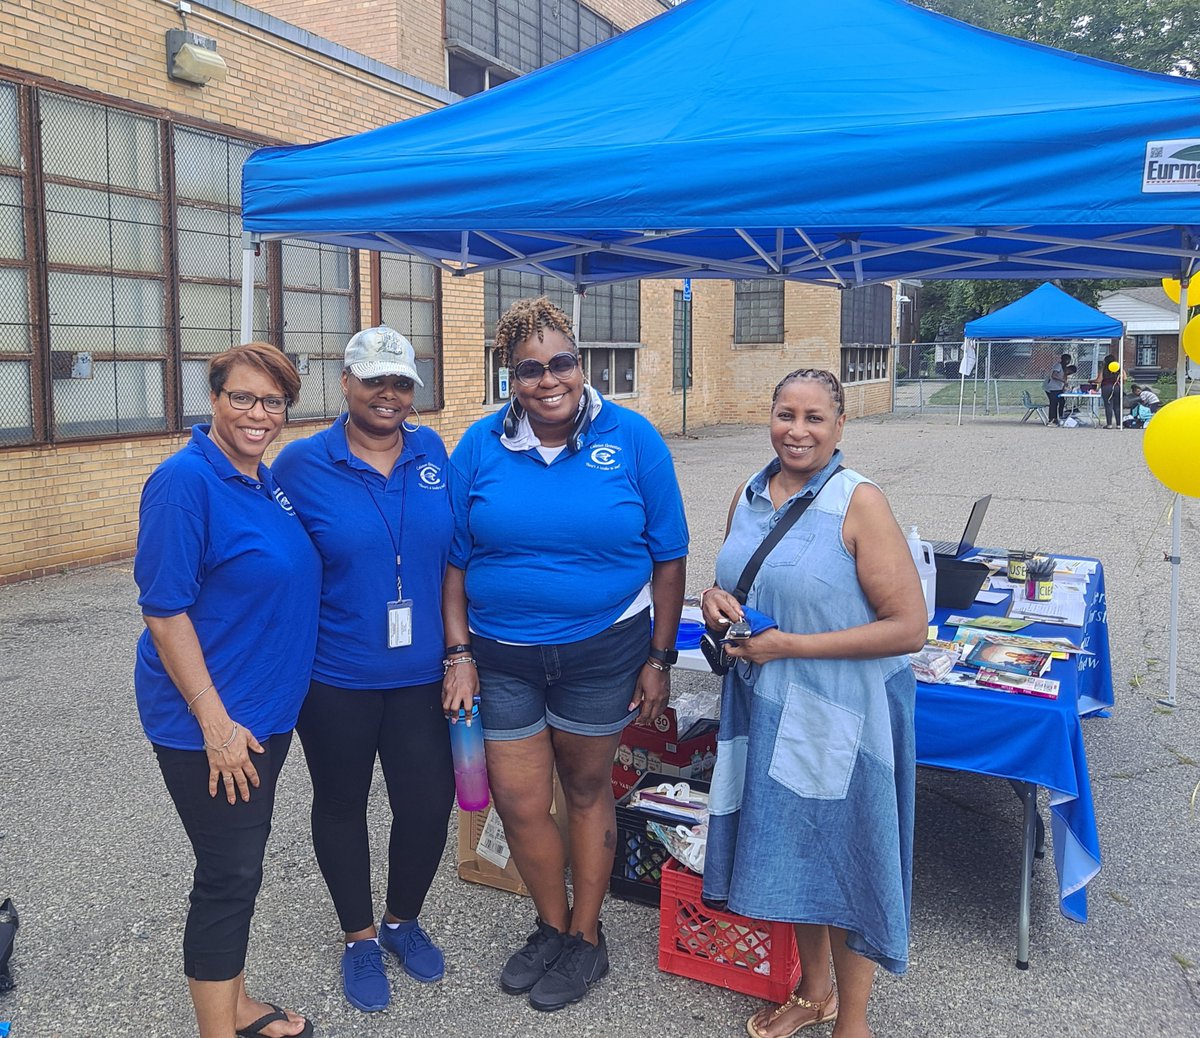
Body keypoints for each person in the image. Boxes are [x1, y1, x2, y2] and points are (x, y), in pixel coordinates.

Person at [442, 296, 688, 1012]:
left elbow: (668, 558)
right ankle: (550, 924)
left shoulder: (634, 437)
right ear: (508, 377)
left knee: (585, 791)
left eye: (562, 363)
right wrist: (457, 652)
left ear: (580, 364)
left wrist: (660, 658)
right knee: (519, 803)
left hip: (602, 652)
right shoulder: (480, 446)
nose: (549, 379)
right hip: (503, 655)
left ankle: (587, 936)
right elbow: (453, 562)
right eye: (530, 369)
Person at [700, 369, 927, 1038]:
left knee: (851, 859)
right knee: (797, 850)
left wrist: (790, 645)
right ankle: (814, 991)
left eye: (814, 418)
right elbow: (736, 577)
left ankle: (851, 1020)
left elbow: (909, 627)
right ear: (768, 416)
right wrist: (715, 599)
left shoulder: (859, 502)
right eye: (785, 414)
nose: (797, 430)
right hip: (771, 708)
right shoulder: (749, 493)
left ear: (839, 427)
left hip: (842, 716)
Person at [134, 343, 320, 1038]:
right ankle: (219, 1029)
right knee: (228, 874)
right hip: (213, 725)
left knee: (241, 864)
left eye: (272, 402)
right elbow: (164, 608)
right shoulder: (185, 481)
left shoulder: (260, 479)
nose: (258, 414)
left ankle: (236, 1003)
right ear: (213, 399)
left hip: (262, 716)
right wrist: (213, 721)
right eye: (241, 397)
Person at [272, 328, 456, 1013]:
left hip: (422, 674)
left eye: (401, 382)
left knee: (427, 803)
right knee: (342, 803)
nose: (389, 393)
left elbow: (454, 560)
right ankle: (357, 936)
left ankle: (402, 921)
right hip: (337, 677)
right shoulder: (299, 465)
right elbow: (275, 561)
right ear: (345, 383)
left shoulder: (433, 453)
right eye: (375, 379)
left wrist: (460, 654)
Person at [1043, 352, 1071, 426]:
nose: (1068, 362)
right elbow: (1054, 375)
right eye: (1066, 360)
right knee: (1053, 404)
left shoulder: (1064, 368)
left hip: (1058, 388)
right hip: (1053, 388)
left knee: (1062, 402)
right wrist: (1063, 380)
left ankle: (1061, 416)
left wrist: (1064, 385)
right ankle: (1052, 419)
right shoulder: (1058, 366)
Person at [1095, 354, 1120, 429]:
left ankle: (1109, 424)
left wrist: (1092, 381)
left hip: (1106, 387)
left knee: (1108, 405)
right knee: (1117, 406)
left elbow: (1099, 380)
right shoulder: (1118, 368)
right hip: (1117, 386)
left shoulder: (1104, 368)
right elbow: (1124, 378)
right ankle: (1119, 425)